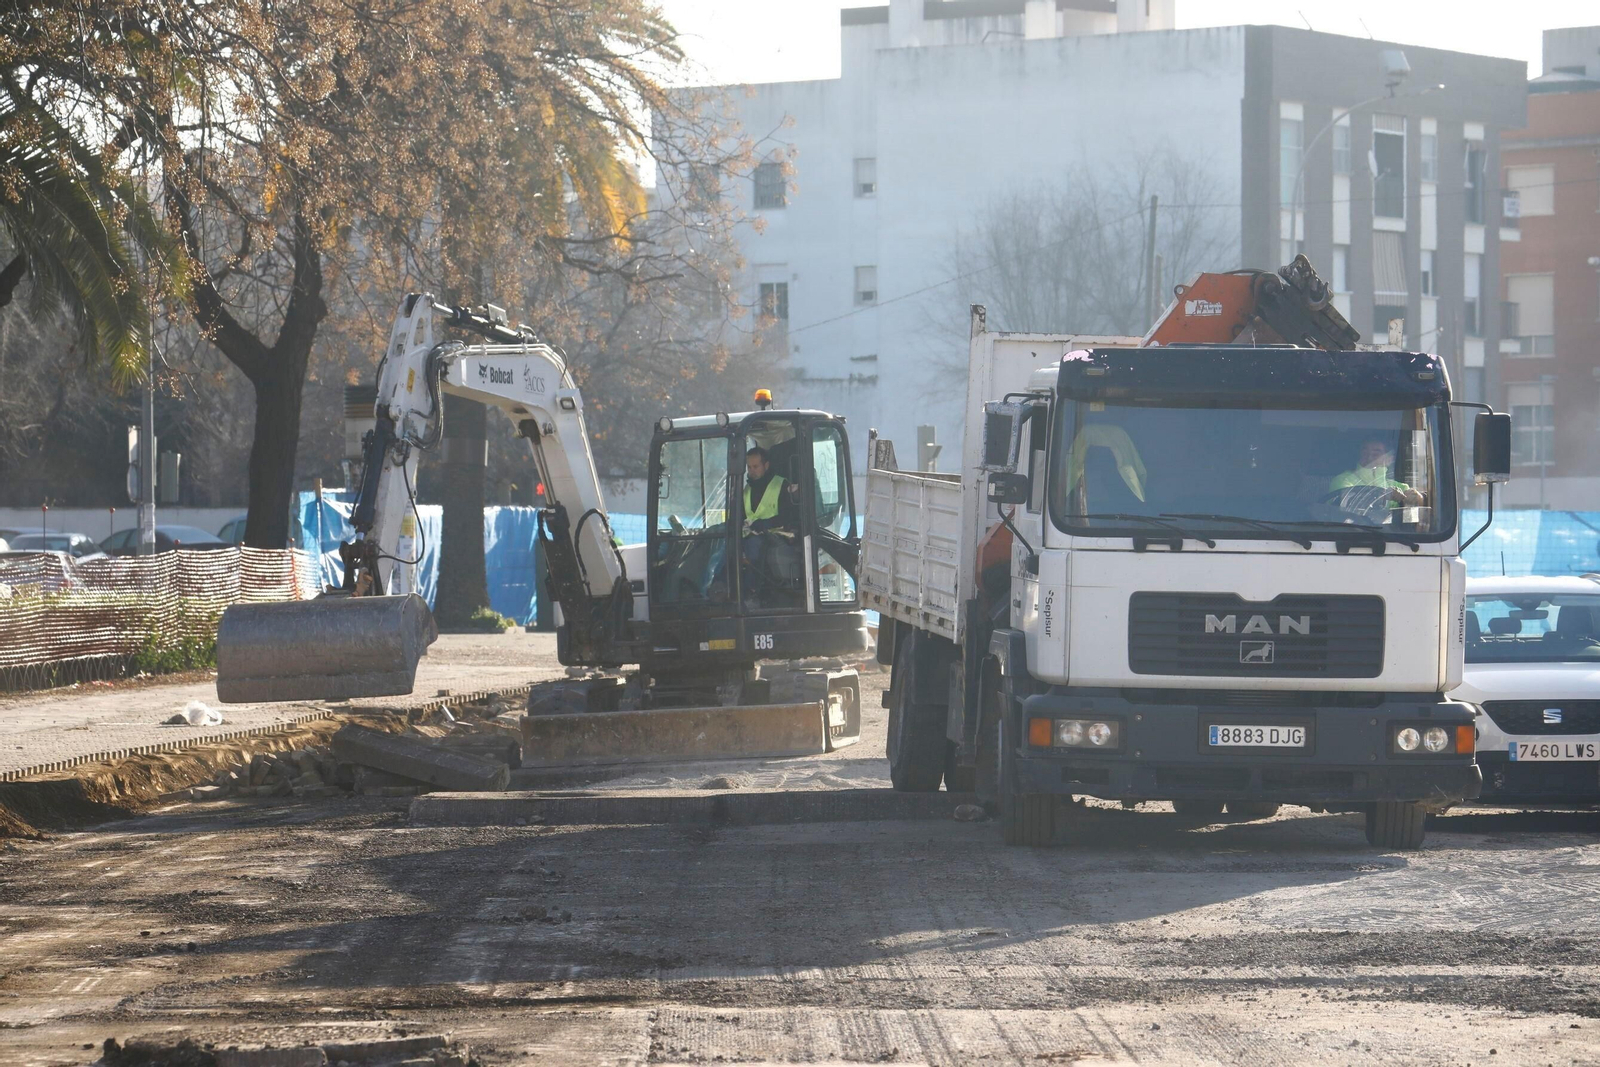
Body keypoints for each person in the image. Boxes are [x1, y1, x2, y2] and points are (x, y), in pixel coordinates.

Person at [742, 445, 799, 604]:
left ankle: (751, 592)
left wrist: (765, 524)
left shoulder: (781, 485)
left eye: (755, 466)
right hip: (750, 533)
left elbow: (789, 515)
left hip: (776, 534)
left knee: (753, 547)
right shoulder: (747, 489)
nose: (751, 471)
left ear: (766, 466)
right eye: (749, 467)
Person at [1329, 439, 1424, 507]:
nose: (1369, 458)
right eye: (1365, 453)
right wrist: (1383, 496)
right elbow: (1345, 504)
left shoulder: (1399, 487)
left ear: (1389, 459)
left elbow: (1414, 511)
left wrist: (1416, 499)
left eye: (1376, 454)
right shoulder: (1343, 480)